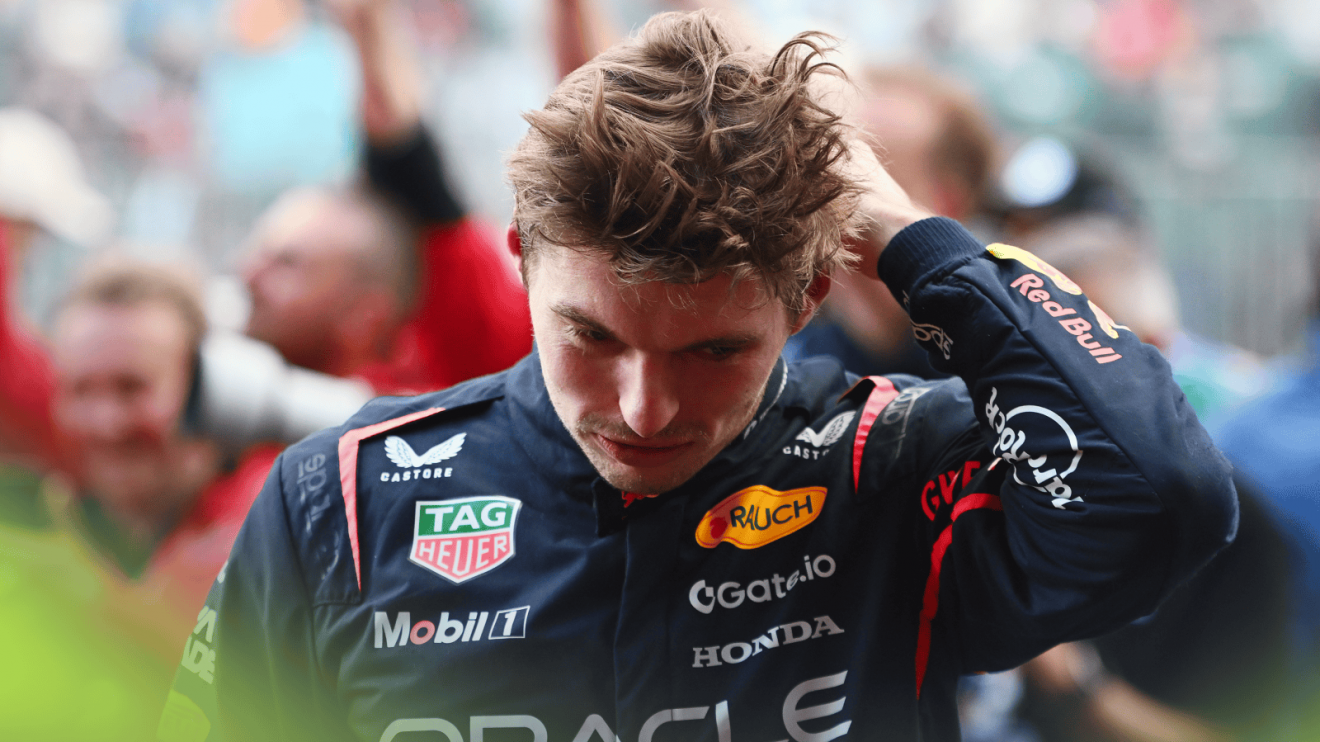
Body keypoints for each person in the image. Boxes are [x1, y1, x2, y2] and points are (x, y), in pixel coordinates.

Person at [157, 12, 1235, 742]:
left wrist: (912, 238)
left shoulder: (888, 463)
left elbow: (1164, 495)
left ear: (813, 296)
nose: (643, 408)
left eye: (713, 350)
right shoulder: (338, 499)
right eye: (593, 336)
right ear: (521, 261)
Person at [239, 0, 532, 395]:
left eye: (286, 265)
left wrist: (367, 26)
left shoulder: (432, 406)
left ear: (365, 317)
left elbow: (407, 158)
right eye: (261, 254)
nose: (248, 275)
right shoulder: (218, 399)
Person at [784, 66, 998, 379]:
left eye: (869, 165)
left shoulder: (984, 359)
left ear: (945, 203)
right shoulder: (778, 323)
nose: (828, 178)